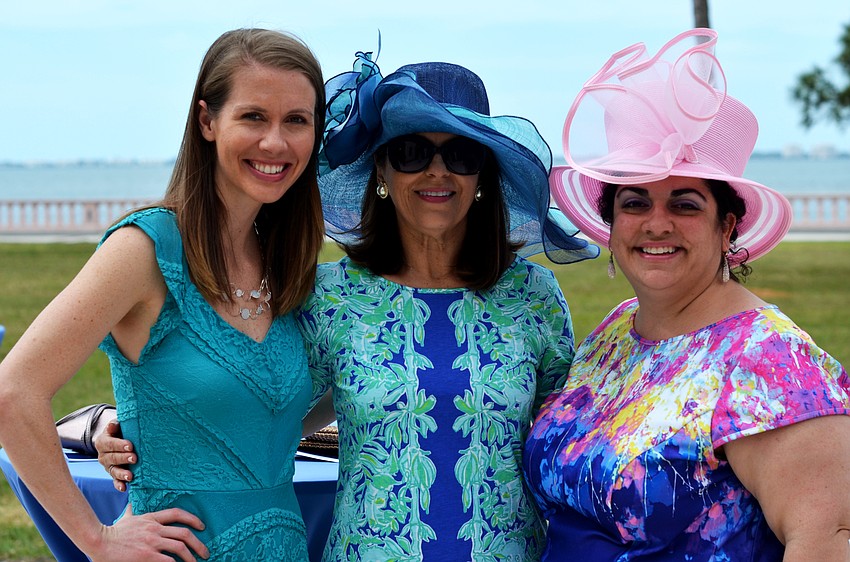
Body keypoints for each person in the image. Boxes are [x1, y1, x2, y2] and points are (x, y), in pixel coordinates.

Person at [99, 52, 599, 560]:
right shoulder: (330, 296)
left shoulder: (534, 298)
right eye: (410, 151)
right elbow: (266, 411)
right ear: (380, 168)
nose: (437, 171)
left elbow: (568, 446)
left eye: (462, 155)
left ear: (482, 177)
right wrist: (113, 428)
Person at [522, 28, 850, 560]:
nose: (657, 224)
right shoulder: (616, 334)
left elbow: (825, 540)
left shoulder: (770, 362)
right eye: (634, 203)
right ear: (611, 223)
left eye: (685, 204)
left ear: (727, 228)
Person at [0, 27, 326, 561]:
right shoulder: (145, 248)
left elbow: (273, 414)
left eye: (297, 120)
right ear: (206, 122)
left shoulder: (283, 262)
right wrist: (97, 541)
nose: (276, 142)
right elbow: (13, 393)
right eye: (253, 117)